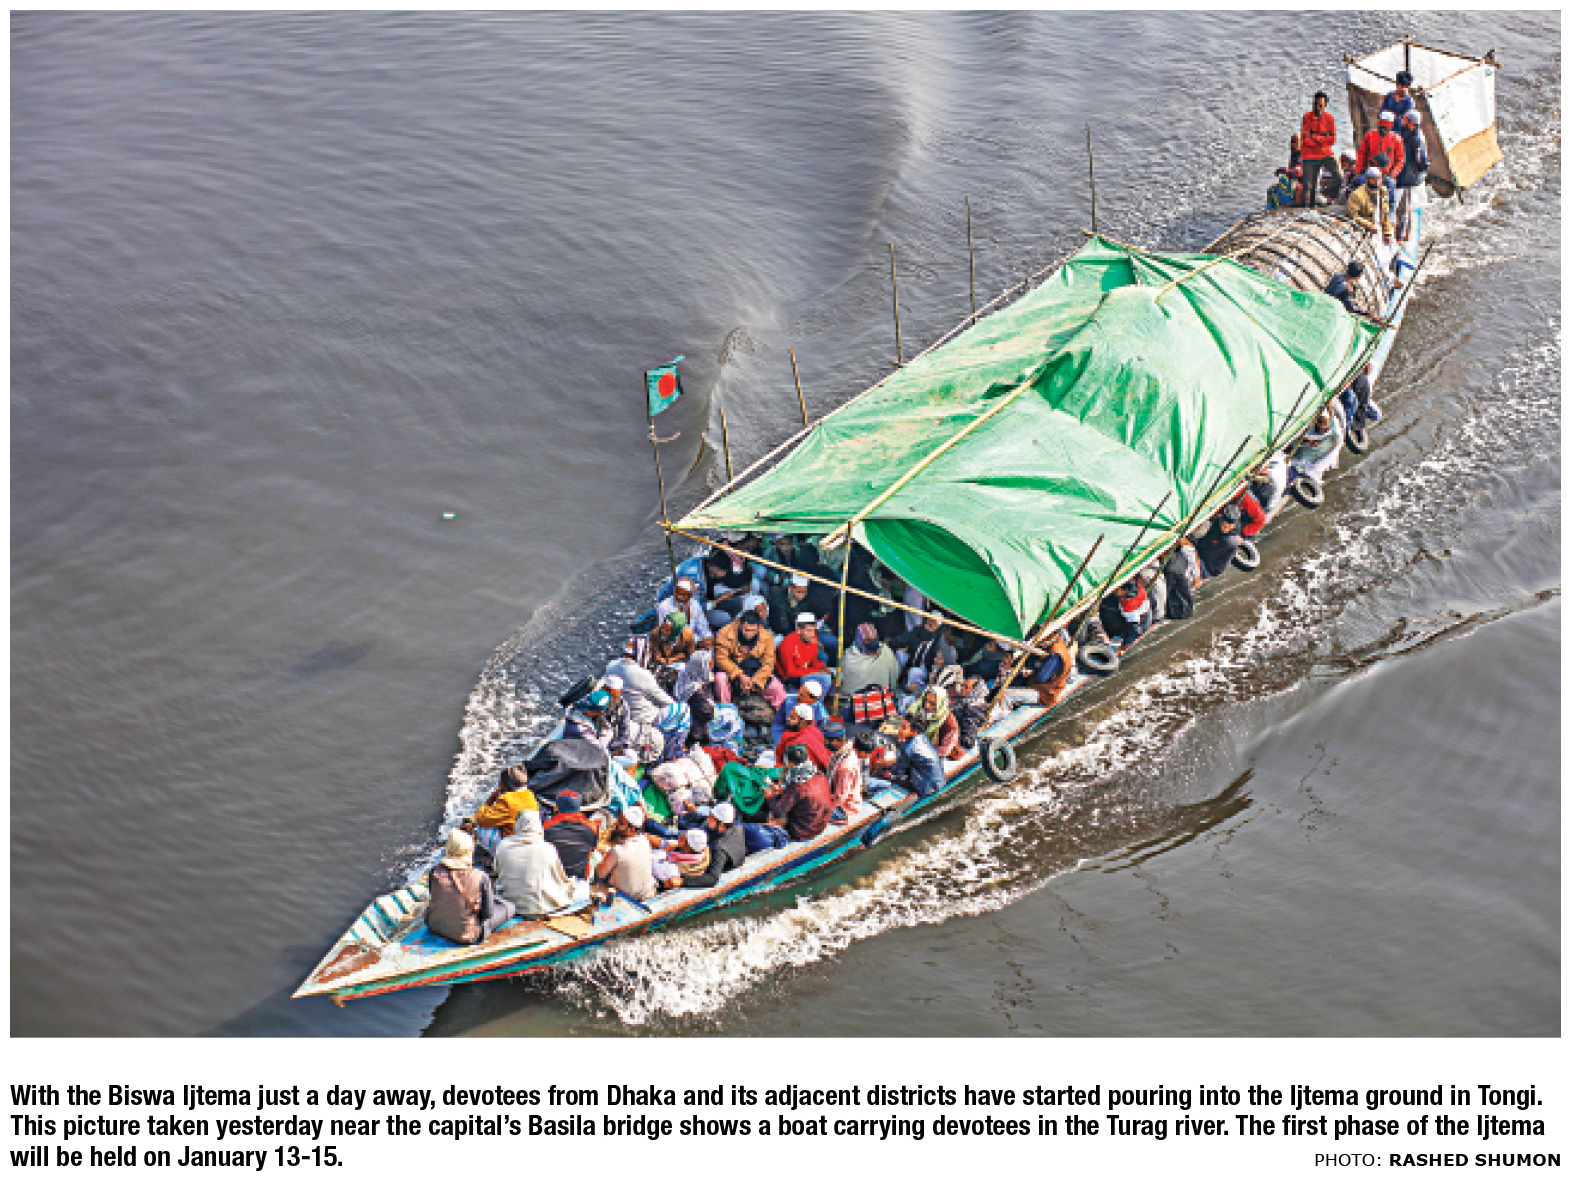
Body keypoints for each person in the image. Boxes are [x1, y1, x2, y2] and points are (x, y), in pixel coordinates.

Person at [426, 830, 514, 945]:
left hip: (435, 926)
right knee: (510, 907)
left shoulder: (434, 871)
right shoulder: (480, 876)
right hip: (467, 934)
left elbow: (435, 896)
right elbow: (488, 914)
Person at [493, 812, 576, 918]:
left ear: (517, 825)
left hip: (509, 906)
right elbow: (559, 876)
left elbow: (496, 870)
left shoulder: (503, 846)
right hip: (541, 907)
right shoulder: (548, 848)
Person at [712, 610, 787, 710]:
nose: (749, 634)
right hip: (732, 672)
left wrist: (755, 680)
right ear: (740, 625)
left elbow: (768, 663)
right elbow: (721, 659)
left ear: (758, 627)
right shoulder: (724, 633)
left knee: (778, 688)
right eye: (746, 630)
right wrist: (739, 675)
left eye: (753, 630)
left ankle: (781, 716)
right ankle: (726, 711)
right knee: (720, 678)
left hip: (755, 672)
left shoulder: (767, 637)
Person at [767, 745, 835, 842]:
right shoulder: (819, 774)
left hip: (804, 831)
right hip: (820, 824)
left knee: (772, 817)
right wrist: (781, 791)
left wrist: (770, 796)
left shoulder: (797, 786)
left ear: (791, 763)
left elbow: (778, 811)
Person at [593, 805, 657, 903]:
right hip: (647, 894)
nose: (616, 824)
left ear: (632, 829)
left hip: (625, 899)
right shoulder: (645, 841)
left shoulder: (617, 851)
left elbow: (599, 874)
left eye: (621, 823)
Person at [605, 639, 674, 729]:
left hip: (619, 717)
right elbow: (668, 702)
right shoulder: (643, 675)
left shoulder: (611, 666)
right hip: (643, 721)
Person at [472, 764, 539, 856]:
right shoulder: (529, 795)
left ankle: (489, 854)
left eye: (500, 783)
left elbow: (482, 819)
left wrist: (490, 800)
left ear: (504, 784)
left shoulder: (507, 800)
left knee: (480, 827)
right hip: (530, 841)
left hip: (513, 845)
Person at [882, 715, 948, 799]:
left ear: (914, 732)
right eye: (901, 726)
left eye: (904, 728)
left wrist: (887, 767)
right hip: (940, 782)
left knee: (885, 775)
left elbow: (899, 771)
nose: (900, 730)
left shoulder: (908, 747)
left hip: (927, 789)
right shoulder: (922, 737)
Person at [542, 789, 601, 879]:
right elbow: (592, 848)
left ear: (557, 807)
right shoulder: (593, 828)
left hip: (553, 878)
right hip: (579, 879)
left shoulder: (546, 827)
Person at [891, 614, 957, 692]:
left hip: (925, 672)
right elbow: (899, 640)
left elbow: (939, 672)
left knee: (914, 672)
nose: (926, 627)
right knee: (899, 654)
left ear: (938, 629)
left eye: (931, 625)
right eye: (927, 623)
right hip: (911, 662)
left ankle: (908, 690)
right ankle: (894, 682)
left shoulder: (940, 646)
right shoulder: (918, 631)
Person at [1299, 91, 1340, 209]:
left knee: (1339, 175)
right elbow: (1305, 139)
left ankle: (1324, 194)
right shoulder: (1306, 117)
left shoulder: (1330, 118)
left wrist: (1315, 138)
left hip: (1325, 153)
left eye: (1320, 105)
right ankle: (1306, 210)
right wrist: (1323, 138)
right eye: (1315, 104)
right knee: (1308, 187)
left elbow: (1333, 139)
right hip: (1309, 155)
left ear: (1325, 105)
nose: (1317, 107)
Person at [839, 622, 901, 697]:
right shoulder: (849, 657)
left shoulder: (885, 651)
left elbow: (894, 673)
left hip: (882, 696)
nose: (873, 642)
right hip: (855, 699)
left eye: (875, 639)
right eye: (868, 640)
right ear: (860, 641)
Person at [1394, 109, 1429, 240]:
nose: (1402, 120)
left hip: (1408, 177)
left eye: (1405, 119)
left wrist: (1417, 172)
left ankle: (1400, 236)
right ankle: (1406, 232)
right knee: (1404, 206)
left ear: (1411, 123)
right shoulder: (1407, 133)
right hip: (1405, 175)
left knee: (1403, 207)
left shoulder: (1416, 139)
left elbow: (1421, 160)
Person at [1191, 503, 1244, 582]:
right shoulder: (1217, 521)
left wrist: (1191, 546)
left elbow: (1208, 554)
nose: (1225, 527)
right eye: (1223, 524)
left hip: (1210, 567)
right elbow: (1208, 538)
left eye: (1228, 526)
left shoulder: (1229, 541)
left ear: (1234, 525)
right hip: (1205, 549)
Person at [775, 612, 829, 689]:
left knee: (835, 674)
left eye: (813, 631)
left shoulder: (812, 638)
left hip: (805, 670)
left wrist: (822, 667)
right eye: (808, 631)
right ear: (799, 630)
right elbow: (790, 672)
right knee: (825, 679)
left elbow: (813, 660)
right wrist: (815, 671)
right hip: (789, 678)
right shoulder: (788, 644)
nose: (812, 634)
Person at [1290, 407, 1344, 485]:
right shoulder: (1307, 432)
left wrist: (1330, 411)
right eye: (1319, 422)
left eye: (1325, 423)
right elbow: (1293, 444)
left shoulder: (1333, 437)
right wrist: (1307, 441)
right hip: (1297, 464)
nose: (1321, 426)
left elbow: (1335, 424)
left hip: (1314, 470)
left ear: (1329, 424)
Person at [1355, 111, 1406, 193]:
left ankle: (1390, 202)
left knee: (1390, 185)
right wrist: (1358, 170)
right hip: (1370, 173)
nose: (1383, 130)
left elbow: (1400, 160)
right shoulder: (1369, 135)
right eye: (1381, 127)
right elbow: (1362, 154)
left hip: (1386, 175)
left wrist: (1393, 173)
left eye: (1385, 127)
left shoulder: (1396, 139)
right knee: (1360, 182)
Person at [768, 573, 829, 640]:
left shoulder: (805, 599)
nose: (802, 595)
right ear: (790, 588)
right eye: (799, 592)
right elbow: (785, 630)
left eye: (804, 592)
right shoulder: (779, 604)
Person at [774, 702, 832, 772]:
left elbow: (797, 769)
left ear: (803, 721)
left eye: (792, 718)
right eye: (789, 716)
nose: (788, 719)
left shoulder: (801, 742)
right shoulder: (797, 730)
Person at [907, 684, 962, 758]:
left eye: (932, 703)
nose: (927, 705)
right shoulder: (917, 709)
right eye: (926, 700)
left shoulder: (950, 723)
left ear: (940, 704)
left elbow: (943, 751)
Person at [825, 723, 865, 818]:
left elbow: (840, 798)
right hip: (836, 796)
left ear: (834, 742)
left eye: (825, 740)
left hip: (845, 808)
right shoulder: (844, 750)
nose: (823, 742)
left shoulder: (845, 766)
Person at [1346, 169, 1394, 247]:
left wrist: (1387, 233)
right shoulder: (1357, 195)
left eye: (1378, 178)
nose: (1376, 181)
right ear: (1367, 179)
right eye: (1373, 178)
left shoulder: (1382, 192)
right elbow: (1353, 216)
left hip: (1379, 230)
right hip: (1364, 231)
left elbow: (1386, 214)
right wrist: (1369, 225)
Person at [657, 576, 713, 642]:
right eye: (677, 593)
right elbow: (666, 636)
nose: (679, 597)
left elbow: (703, 629)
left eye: (683, 595)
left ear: (690, 596)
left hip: (695, 641)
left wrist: (708, 639)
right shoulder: (665, 607)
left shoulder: (695, 605)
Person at [1338, 361, 1381, 433]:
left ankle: (1353, 422)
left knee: (1376, 415)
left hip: (1360, 397)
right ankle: (1351, 423)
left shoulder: (1366, 378)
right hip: (1355, 396)